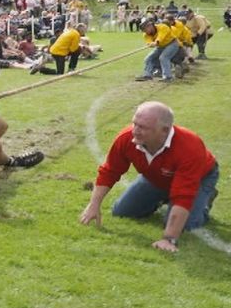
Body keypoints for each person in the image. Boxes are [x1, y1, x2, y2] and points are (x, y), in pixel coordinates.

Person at [80, 101, 219, 252]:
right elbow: (109, 171)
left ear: (164, 131)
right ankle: (163, 197)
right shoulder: (126, 138)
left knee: (186, 225)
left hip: (199, 178)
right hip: (155, 177)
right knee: (122, 212)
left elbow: (183, 194)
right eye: (135, 124)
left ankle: (205, 197)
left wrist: (169, 239)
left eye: (143, 127)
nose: (135, 131)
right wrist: (94, 205)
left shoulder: (189, 146)